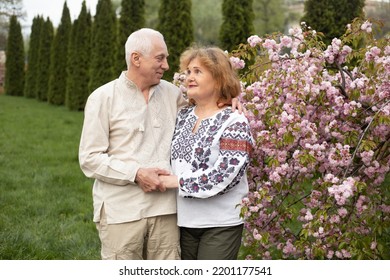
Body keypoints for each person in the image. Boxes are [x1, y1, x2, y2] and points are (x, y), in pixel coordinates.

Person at [79, 29, 242, 260]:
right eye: (160, 58)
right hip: (122, 212)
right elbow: (89, 159)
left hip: (167, 211)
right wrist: (136, 173)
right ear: (136, 59)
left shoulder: (173, 94)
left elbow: (207, 108)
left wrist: (230, 98)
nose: (166, 66)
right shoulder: (102, 98)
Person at [159, 46, 254, 260]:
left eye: (198, 72)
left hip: (220, 223)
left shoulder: (234, 121)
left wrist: (176, 182)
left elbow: (225, 175)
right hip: (184, 221)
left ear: (219, 78)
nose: (189, 77)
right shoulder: (182, 116)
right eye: (188, 72)